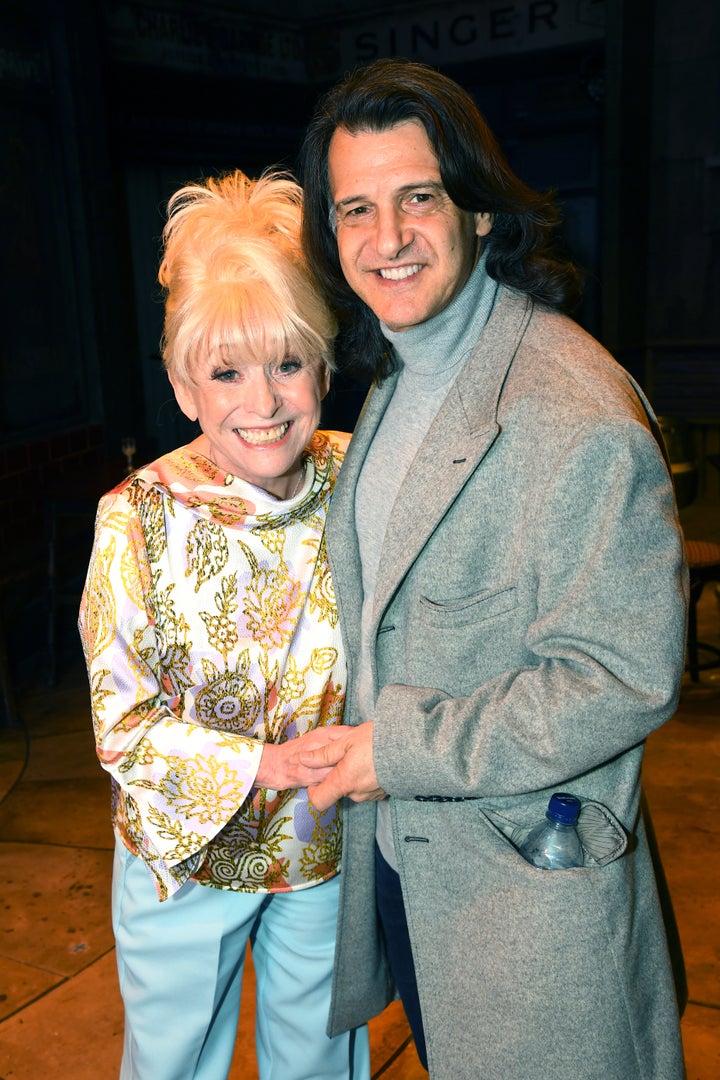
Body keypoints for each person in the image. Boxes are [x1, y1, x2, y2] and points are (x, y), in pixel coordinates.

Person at [297, 58, 688, 1079]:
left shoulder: (574, 412)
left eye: (418, 197)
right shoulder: (396, 381)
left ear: (477, 210)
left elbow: (623, 677)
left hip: (528, 915)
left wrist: (401, 750)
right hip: (410, 873)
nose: (387, 240)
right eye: (356, 209)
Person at [78, 169, 370, 1080]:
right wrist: (269, 764)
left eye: (288, 362)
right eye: (227, 371)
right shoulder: (136, 515)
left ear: (324, 365)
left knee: (322, 1066)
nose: (265, 402)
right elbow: (121, 728)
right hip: (184, 865)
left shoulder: (364, 477)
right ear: (181, 383)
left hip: (323, 848)